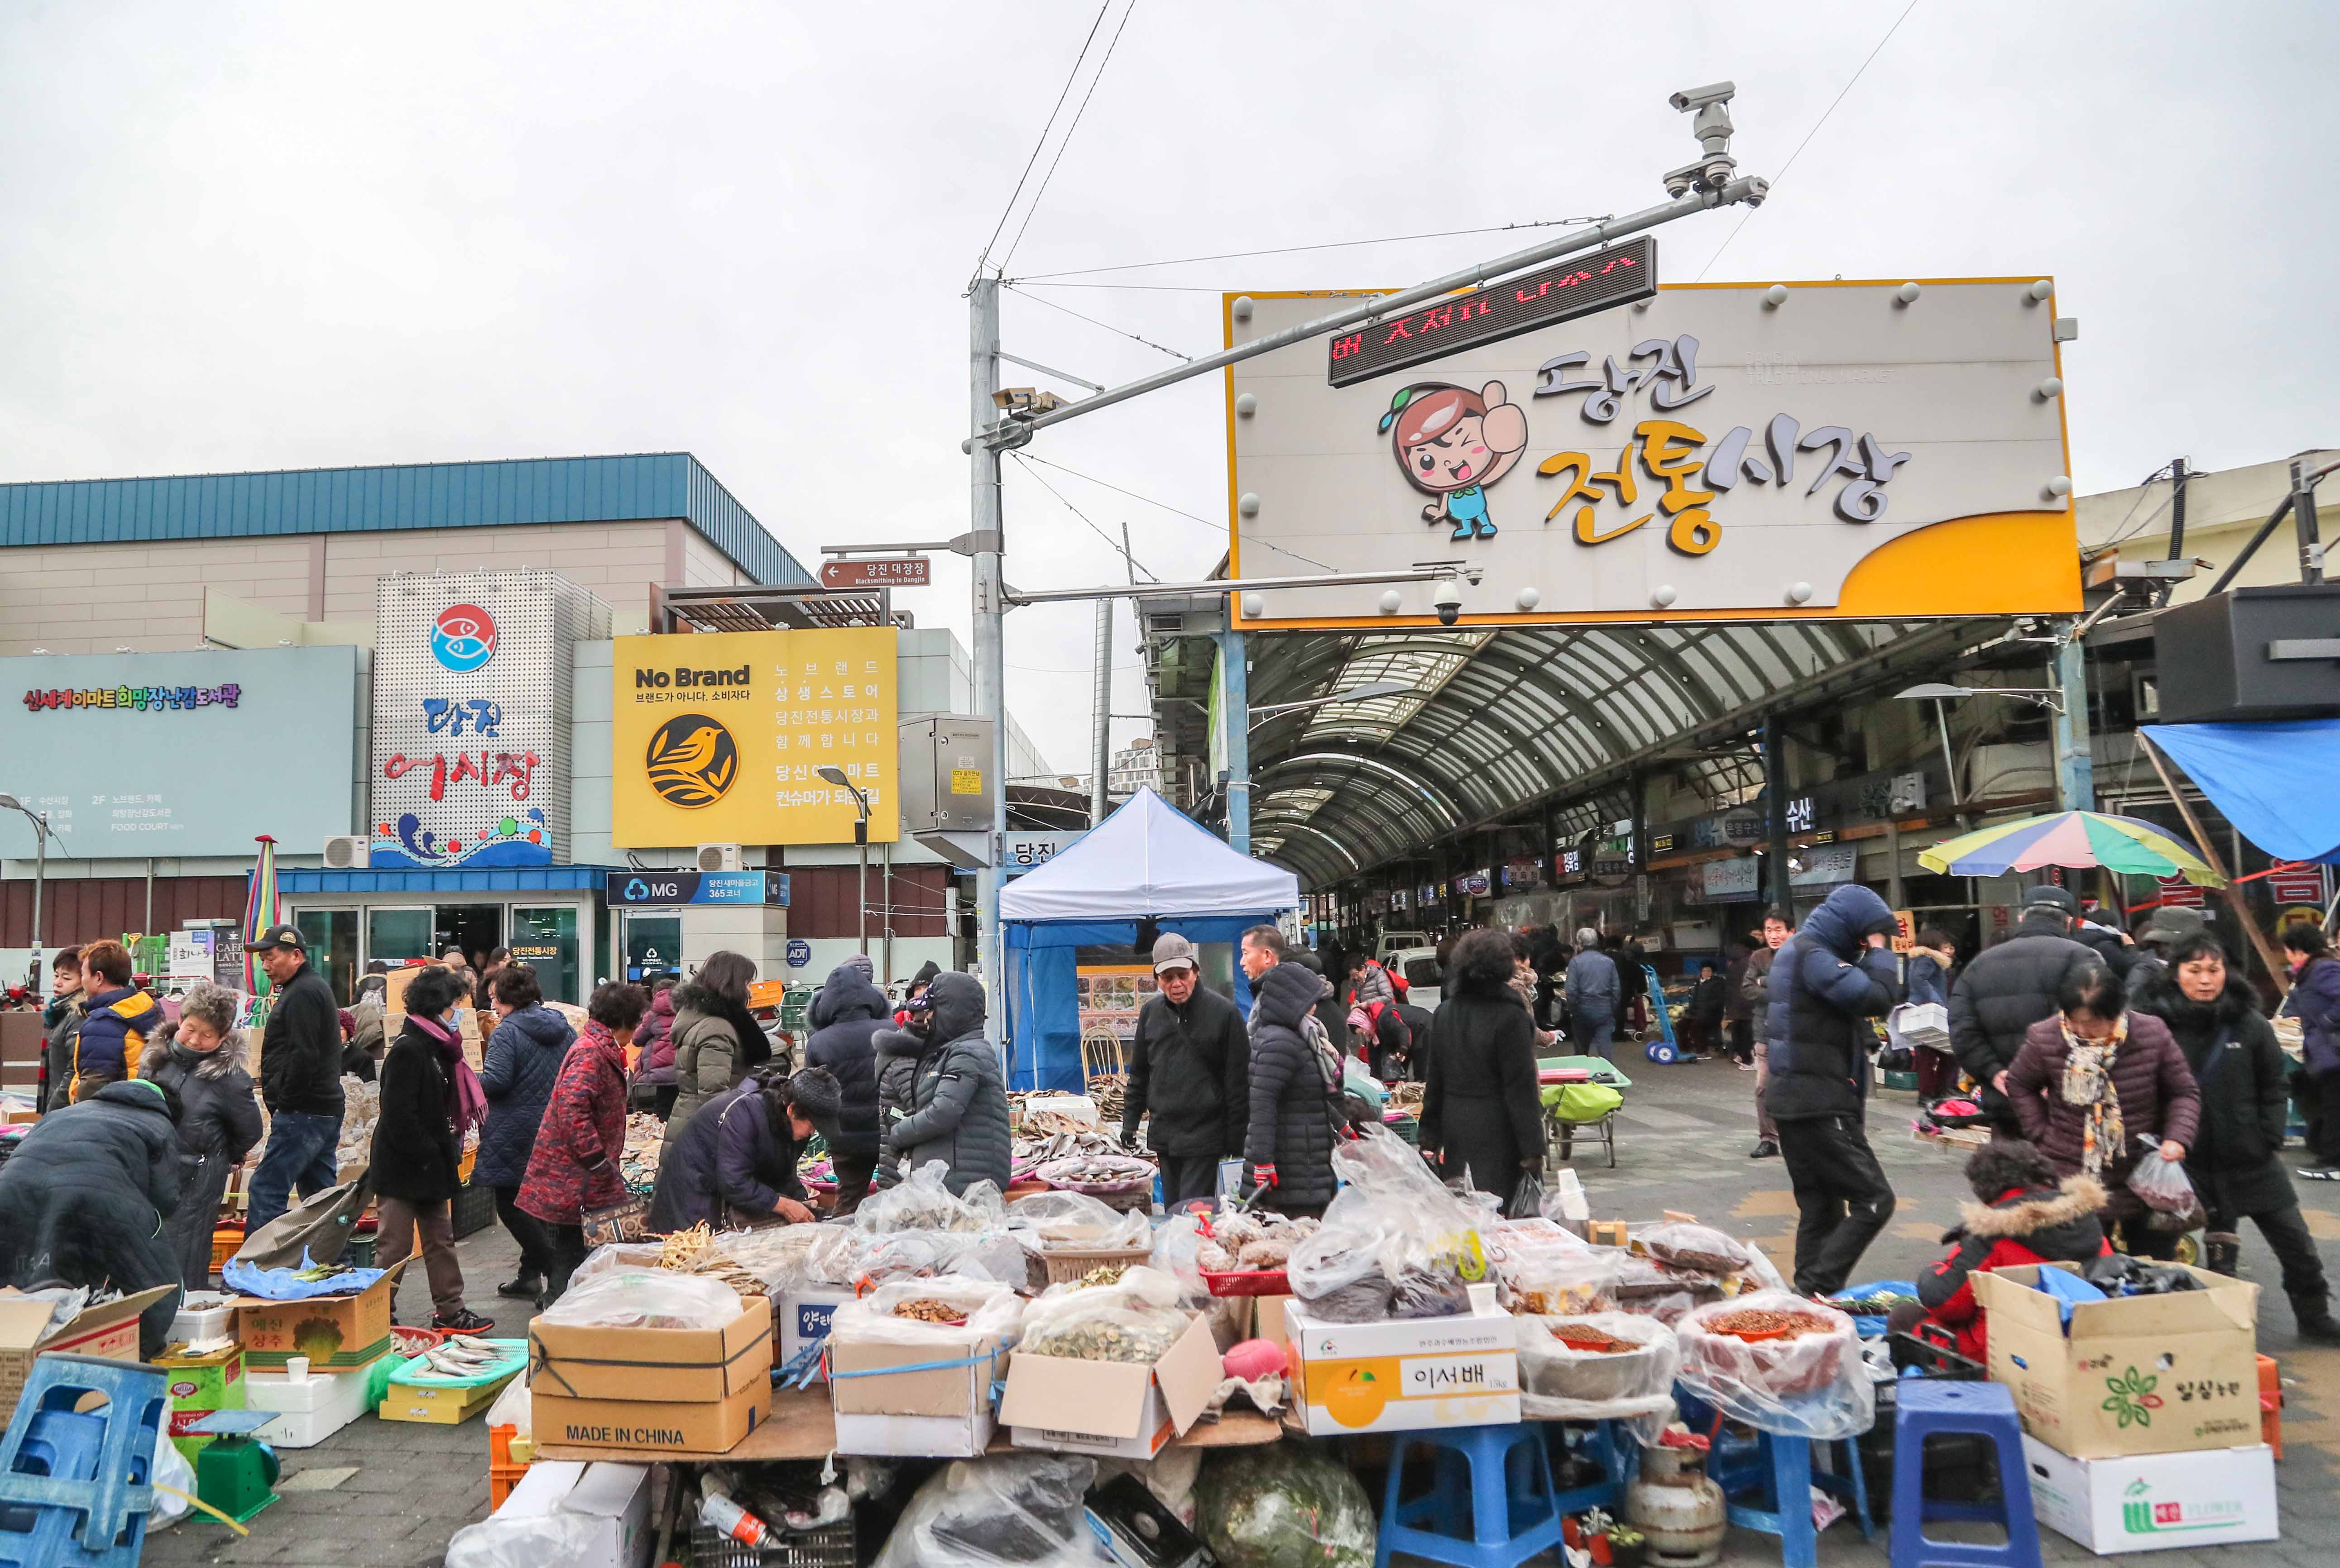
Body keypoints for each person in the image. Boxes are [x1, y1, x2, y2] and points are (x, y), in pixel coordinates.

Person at [2131, 934, 2340, 1340]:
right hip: (2183, 1161)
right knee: (2158, 1248)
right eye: (2195, 971)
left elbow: (2273, 1084)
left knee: (2296, 1244)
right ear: (2176, 975)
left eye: (2215, 970)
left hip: (2251, 1157)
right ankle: (2158, 1322)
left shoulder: (2248, 1022)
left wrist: (2269, 1135)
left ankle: (2314, 1317)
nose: (2206, 980)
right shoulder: (2154, 1026)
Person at [2004, 963, 2200, 1260]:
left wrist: (2177, 1138)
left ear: (2117, 1012)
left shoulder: (2151, 1034)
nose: (2082, 1031)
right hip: (2073, 1173)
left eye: (2093, 1023)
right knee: (2083, 1266)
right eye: (2074, 1021)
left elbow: (2183, 1092)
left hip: (2143, 1173)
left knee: (2153, 1265)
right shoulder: (2045, 1038)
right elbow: (2019, 1083)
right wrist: (2042, 1134)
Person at [1766, 883, 1903, 1296]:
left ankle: (1809, 1300)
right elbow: (1877, 997)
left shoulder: (1803, 952)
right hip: (1818, 1103)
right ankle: (1819, 1287)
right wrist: (1880, 950)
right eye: (1865, 936)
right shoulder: (1814, 955)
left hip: (1796, 1100)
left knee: (1821, 1206)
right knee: (1875, 1201)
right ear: (1851, 928)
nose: (1866, 946)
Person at [0, 1073, 184, 1356]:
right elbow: (166, 1196)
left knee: (23, 1270)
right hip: (99, 1195)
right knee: (157, 1279)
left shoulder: (63, 1113)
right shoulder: (160, 1124)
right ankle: (134, 1352)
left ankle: (17, 1350)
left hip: (12, 1188)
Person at [1892, 1139, 2111, 1360]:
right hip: (2081, 1346)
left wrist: (1936, 1269)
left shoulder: (1994, 1235)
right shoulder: (2089, 1224)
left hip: (2002, 1353)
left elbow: (1945, 1304)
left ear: (1985, 1188)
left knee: (1904, 1316)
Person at [371, 965, 491, 1332]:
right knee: (394, 1245)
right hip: (403, 1166)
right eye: (454, 1006)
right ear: (437, 1007)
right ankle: (377, 1315)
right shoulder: (410, 1050)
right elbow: (398, 1116)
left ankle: (451, 1312)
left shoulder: (441, 1050)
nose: (458, 1015)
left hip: (433, 1163)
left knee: (441, 1240)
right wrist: (429, 1154)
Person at [520, 981, 649, 1302]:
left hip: (584, 1172)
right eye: (633, 1024)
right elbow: (573, 1109)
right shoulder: (591, 1053)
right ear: (621, 1022)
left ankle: (563, 1302)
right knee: (572, 1245)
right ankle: (559, 1308)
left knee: (573, 1243)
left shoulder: (598, 1047)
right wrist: (595, 1158)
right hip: (578, 1173)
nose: (634, 1033)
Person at [1948, 886, 2101, 1136]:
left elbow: (1961, 1029)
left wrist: (1995, 1072)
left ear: (2022, 919)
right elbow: (2097, 1025)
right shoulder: (2084, 958)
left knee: (2012, 1172)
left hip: (2004, 1100)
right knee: (2066, 1174)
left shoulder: (1980, 964)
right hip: (2066, 1105)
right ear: (2070, 922)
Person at [141, 982, 263, 1292]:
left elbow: (249, 1130)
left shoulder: (230, 1078)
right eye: (191, 1028)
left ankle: (186, 1313)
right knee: (147, 1246)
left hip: (198, 1174)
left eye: (207, 1035)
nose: (194, 1040)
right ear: (180, 1020)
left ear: (222, 1038)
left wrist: (220, 1154)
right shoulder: (156, 1059)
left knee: (186, 1248)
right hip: (151, 1168)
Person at [1121, 934, 1251, 1208]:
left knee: (1191, 1214)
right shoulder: (1151, 1013)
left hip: (1205, 1134)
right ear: (1157, 980)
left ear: (1196, 972)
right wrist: (1130, 1123)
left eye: (1183, 974)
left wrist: (1235, 1140)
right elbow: (1140, 1073)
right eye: (1168, 978)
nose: (1177, 984)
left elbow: (1238, 1082)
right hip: (1165, 1134)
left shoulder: (1224, 1013)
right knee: (1172, 1212)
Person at [1419, 928, 1544, 1211]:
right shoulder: (1512, 1017)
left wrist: (1429, 1132)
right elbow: (1520, 1089)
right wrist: (1533, 1149)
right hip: (1498, 1128)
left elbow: (1434, 1078)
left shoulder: (1445, 1013)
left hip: (1455, 1125)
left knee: (1462, 1210)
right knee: (1499, 1210)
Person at [476, 963, 574, 1305]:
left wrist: (472, 1078)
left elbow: (498, 1081)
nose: (493, 1007)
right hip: (554, 1124)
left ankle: (554, 1271)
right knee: (538, 1204)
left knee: (510, 1202)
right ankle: (529, 1276)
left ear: (507, 999)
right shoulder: (564, 1029)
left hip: (514, 1128)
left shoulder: (507, 1032)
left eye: (495, 1000)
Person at [648, 1066, 840, 1230]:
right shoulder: (745, 1115)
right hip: (693, 1199)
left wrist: (800, 1200)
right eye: (812, 1126)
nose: (812, 1133)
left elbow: (783, 1174)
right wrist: (783, 1205)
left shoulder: (791, 1125)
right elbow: (734, 1182)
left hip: (722, 1195)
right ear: (792, 1110)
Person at [246, 923, 347, 1234]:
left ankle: (257, 1268)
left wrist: (286, 1102)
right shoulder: (306, 989)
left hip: (304, 1111)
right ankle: (332, 1263)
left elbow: (305, 1055)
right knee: (321, 1196)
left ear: (297, 956)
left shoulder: (303, 993)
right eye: (261, 960)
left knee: (267, 1188)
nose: (265, 966)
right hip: (319, 1107)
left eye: (271, 958)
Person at [876, 971, 1012, 1195]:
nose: (927, 1018)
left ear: (952, 1013)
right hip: (956, 1177)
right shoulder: (952, 1052)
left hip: (965, 1182)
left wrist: (899, 1133)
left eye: (932, 1010)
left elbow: (943, 1113)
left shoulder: (966, 1054)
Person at [1242, 959, 1340, 1218]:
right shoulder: (1280, 1043)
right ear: (1292, 1002)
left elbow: (1313, 1096)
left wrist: (1344, 1126)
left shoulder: (1300, 1037)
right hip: (1291, 1177)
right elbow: (1262, 1105)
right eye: (1310, 1000)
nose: (1316, 1006)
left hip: (1304, 1167)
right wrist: (1263, 1163)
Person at [659, 951, 769, 1167]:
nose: (750, 992)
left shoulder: (702, 1017)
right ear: (733, 983)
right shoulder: (716, 1028)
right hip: (704, 1130)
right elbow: (714, 1094)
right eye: (748, 983)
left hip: (690, 1121)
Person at [804, 957, 892, 1213]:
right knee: (896, 1200)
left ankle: (846, 1248)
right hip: (889, 1131)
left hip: (845, 1137)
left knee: (850, 1198)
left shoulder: (819, 1042)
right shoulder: (891, 1030)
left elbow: (812, 1094)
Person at [67, 940, 163, 1102]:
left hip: (111, 1116)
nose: (82, 981)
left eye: (83, 974)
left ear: (99, 978)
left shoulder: (101, 1025)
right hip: (144, 1109)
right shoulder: (148, 1008)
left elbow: (93, 1088)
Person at [2280, 922, 2340, 1181]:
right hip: (2325, 1054)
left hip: (2334, 1053)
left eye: (2287, 950)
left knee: (2333, 1107)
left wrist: (2328, 1021)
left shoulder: (2324, 969)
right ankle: (2328, 1156)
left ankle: (2333, 1162)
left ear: (2298, 950)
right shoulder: (2309, 974)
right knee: (2327, 1105)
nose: (2286, 956)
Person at [1743, 909, 1791, 1154]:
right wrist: (1773, 988)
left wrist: (1765, 981)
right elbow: (1748, 989)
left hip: (1795, 1034)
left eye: (1779, 930)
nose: (1773, 935)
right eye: (1769, 930)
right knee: (1763, 1087)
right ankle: (1769, 1139)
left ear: (1791, 932)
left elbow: (1797, 988)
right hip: (1765, 1032)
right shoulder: (1759, 957)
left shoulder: (1801, 956)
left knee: (1795, 1087)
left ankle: (1797, 1138)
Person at [1904, 927, 1961, 1100]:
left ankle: (1936, 1091)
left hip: (1925, 1010)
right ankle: (1932, 1093)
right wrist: (1937, 1001)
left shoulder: (1923, 959)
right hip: (1928, 1011)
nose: (1949, 950)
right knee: (1937, 1054)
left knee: (1933, 1055)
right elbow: (1919, 980)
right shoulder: (1928, 959)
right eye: (1944, 945)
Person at [37, 945, 84, 1115]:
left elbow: (74, 1070)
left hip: (64, 1111)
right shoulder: (58, 1013)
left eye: (66, 978)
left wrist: (53, 1109)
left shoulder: (78, 1016)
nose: (57, 982)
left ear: (85, 980)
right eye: (57, 975)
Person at [1564, 928, 1620, 1056]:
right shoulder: (1609, 962)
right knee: (1605, 1048)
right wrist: (1612, 1009)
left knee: (1581, 1051)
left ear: (1580, 943)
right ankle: (1607, 1073)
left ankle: (1581, 1074)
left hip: (1582, 1009)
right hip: (1604, 1009)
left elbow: (1571, 991)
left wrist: (1573, 1010)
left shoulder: (1576, 962)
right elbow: (1616, 990)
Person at [630, 974, 680, 1114]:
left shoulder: (653, 1016)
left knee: (662, 1107)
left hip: (658, 1072)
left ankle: (659, 1133)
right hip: (684, 1069)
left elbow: (637, 1039)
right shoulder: (686, 1012)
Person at [1389, 973, 1434, 1081]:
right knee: (1420, 1060)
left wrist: (1403, 1049)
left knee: (1421, 1061)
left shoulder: (1386, 1018)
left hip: (1421, 1028)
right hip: (1418, 1023)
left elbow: (1404, 1031)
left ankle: (1421, 1086)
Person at [345, 972, 388, 1081]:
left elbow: (354, 1005)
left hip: (363, 1027)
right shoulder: (388, 986)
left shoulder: (362, 986)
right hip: (383, 1029)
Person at [1682, 961, 1727, 1059]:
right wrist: (1689, 1012)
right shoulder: (1699, 983)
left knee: (1697, 1025)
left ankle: (1703, 1051)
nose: (1706, 973)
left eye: (1709, 971)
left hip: (1712, 1014)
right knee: (1682, 1024)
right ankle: (1685, 1049)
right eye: (1704, 971)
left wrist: (1704, 1009)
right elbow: (1694, 1001)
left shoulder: (1718, 983)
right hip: (1698, 1012)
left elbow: (1719, 1001)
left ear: (1712, 972)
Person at [1722, 940, 1755, 1066]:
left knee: (1737, 1028)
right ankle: (1747, 1059)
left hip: (1734, 1003)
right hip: (1747, 1001)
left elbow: (1729, 985)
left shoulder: (1732, 963)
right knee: (1748, 1031)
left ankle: (1737, 1054)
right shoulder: (1749, 961)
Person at [1530, 923, 1567, 1030]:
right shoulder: (1556, 944)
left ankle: (1540, 1025)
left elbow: (1533, 961)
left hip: (1540, 978)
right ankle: (1554, 1024)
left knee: (1540, 1003)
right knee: (1555, 1002)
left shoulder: (1535, 945)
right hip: (1555, 978)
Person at [473, 946, 513, 1013]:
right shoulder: (487, 978)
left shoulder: (513, 977)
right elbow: (481, 1002)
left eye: (510, 960)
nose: (508, 962)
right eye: (504, 960)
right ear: (495, 962)